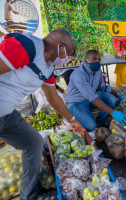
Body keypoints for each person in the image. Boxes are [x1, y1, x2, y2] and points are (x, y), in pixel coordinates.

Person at [0, 29, 86, 200]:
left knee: (33, 143)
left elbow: (53, 98)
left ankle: (29, 196)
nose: (68, 57)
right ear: (61, 46)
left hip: (7, 115)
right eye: (70, 52)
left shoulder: (47, 70)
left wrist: (72, 120)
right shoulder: (28, 44)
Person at [65, 50, 126, 132]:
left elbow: (102, 87)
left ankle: (99, 123)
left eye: (99, 59)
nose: (97, 62)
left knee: (111, 99)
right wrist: (113, 113)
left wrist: (118, 94)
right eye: (94, 59)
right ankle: (77, 117)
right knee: (91, 126)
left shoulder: (98, 71)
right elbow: (92, 97)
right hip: (76, 103)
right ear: (86, 61)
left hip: (89, 99)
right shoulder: (79, 74)